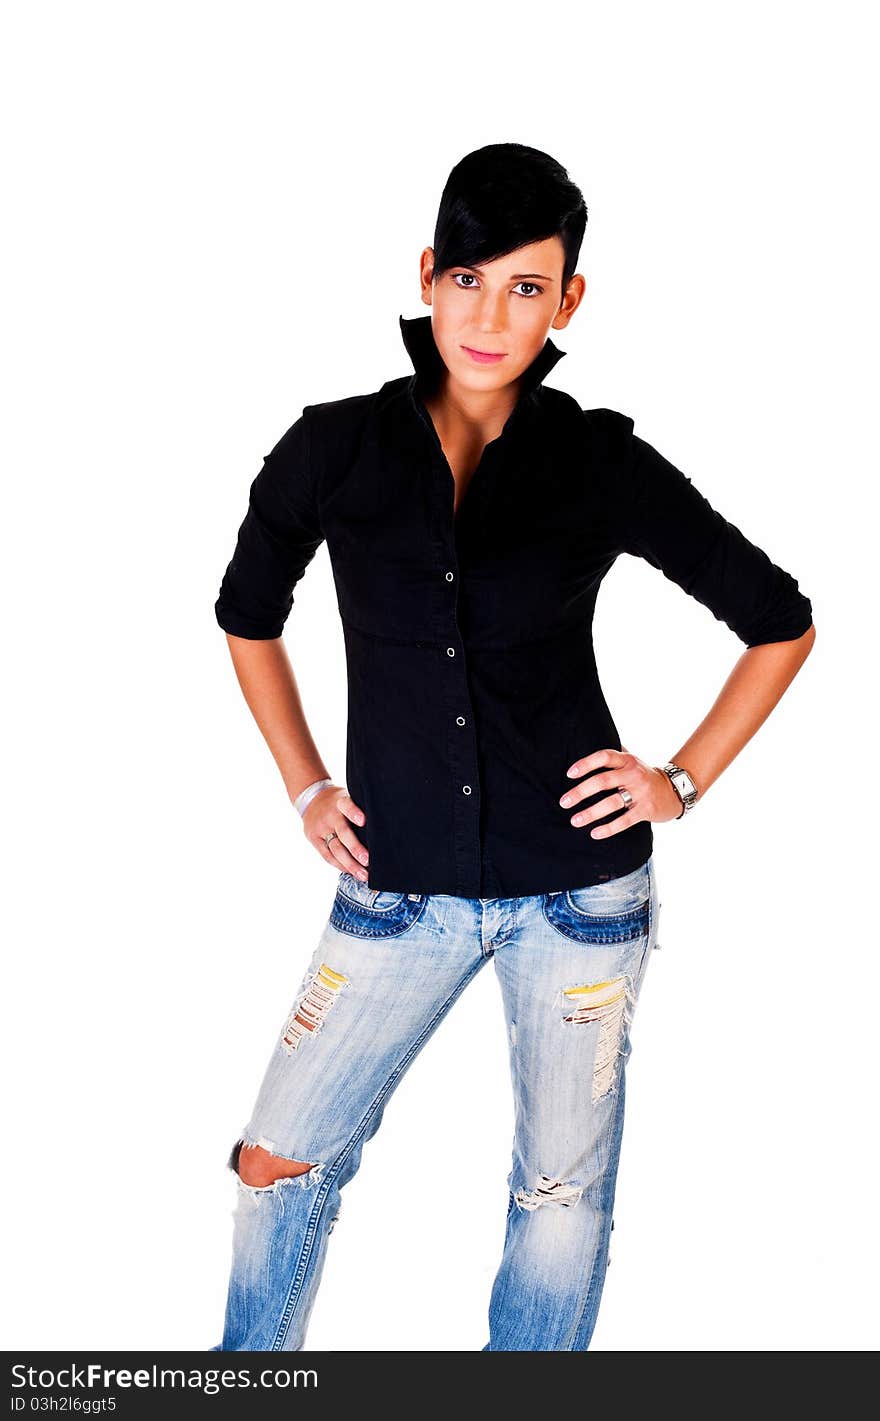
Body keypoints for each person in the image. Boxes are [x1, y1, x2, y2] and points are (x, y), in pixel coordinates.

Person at [210, 143, 815, 1352]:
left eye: (527, 288)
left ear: (567, 301)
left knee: (559, 1194)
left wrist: (677, 781)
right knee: (278, 1155)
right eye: (471, 279)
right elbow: (246, 613)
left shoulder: (597, 462)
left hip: (582, 893)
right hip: (392, 892)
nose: (492, 316)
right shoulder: (332, 449)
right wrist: (305, 781)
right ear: (428, 276)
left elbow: (779, 620)